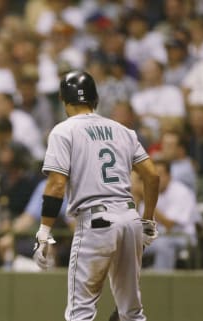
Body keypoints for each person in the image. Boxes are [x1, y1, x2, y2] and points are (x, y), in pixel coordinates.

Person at [32, 70, 160, 321]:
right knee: (132, 312)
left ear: (63, 99)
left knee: (81, 312)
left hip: (96, 222)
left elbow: (57, 186)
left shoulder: (63, 130)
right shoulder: (123, 130)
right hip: (130, 219)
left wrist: (44, 232)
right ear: (95, 99)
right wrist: (148, 220)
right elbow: (152, 176)